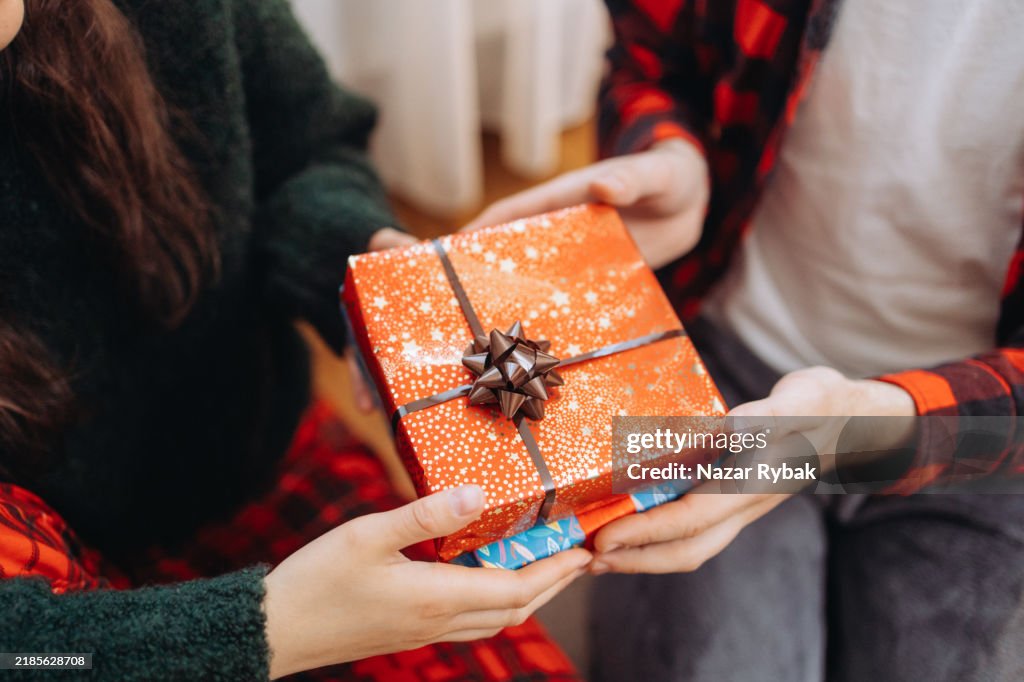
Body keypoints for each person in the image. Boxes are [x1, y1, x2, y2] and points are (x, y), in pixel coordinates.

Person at [0, 1, 591, 679]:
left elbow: (303, 149)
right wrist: (270, 629)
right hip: (67, 612)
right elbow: (30, 653)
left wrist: (358, 260)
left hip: (264, 453)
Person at [468, 0, 1024, 680]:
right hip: (724, 360)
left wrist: (861, 431)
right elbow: (647, 59)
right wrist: (673, 152)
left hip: (983, 438)